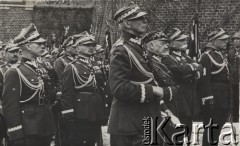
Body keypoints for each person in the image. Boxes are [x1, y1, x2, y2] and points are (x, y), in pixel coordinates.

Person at [108, 4, 180, 146]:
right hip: (129, 125)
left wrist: (167, 112)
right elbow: (119, 88)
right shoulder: (121, 50)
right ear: (127, 23)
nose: (145, 22)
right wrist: (153, 90)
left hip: (145, 121)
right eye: (140, 19)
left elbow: (149, 81)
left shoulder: (137, 49)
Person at [2, 23, 56, 146]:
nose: (43, 46)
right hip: (28, 129)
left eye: (43, 43)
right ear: (28, 46)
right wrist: (16, 133)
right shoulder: (15, 71)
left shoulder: (40, 68)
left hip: (44, 124)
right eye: (38, 44)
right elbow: (10, 106)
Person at [61, 33, 106, 146]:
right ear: (78, 47)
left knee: (92, 140)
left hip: (95, 111)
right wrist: (68, 116)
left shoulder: (94, 65)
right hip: (80, 114)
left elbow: (101, 89)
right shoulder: (72, 67)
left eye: (93, 45)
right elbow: (67, 94)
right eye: (87, 45)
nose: (91, 48)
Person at [161, 28, 203, 145]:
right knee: (177, 133)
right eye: (181, 40)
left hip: (189, 99)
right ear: (172, 43)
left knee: (188, 131)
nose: (185, 42)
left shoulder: (185, 56)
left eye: (185, 39)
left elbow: (199, 67)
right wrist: (192, 68)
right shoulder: (167, 57)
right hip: (179, 100)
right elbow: (178, 71)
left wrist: (191, 69)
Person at [197, 28, 231, 146]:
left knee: (220, 124)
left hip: (223, 96)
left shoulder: (221, 55)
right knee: (212, 127)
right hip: (214, 97)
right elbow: (205, 79)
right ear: (214, 41)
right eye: (222, 40)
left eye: (226, 40)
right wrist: (208, 97)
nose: (225, 42)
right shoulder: (207, 56)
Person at [228, 31, 240, 122]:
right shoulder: (231, 51)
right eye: (234, 39)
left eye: (238, 39)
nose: (236, 41)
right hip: (233, 80)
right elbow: (229, 64)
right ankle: (234, 117)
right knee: (234, 99)